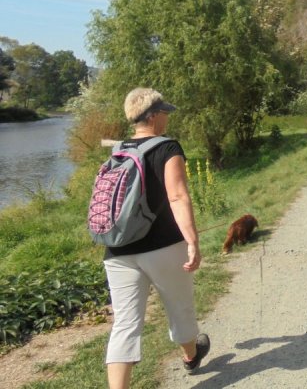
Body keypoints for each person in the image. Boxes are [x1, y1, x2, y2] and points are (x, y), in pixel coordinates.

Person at [103, 88, 210, 389]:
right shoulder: (167, 148)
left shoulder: (118, 150)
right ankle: (191, 356)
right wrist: (193, 241)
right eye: (164, 111)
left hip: (118, 249)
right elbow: (177, 196)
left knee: (124, 325)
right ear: (152, 116)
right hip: (163, 246)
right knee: (180, 308)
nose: (166, 117)